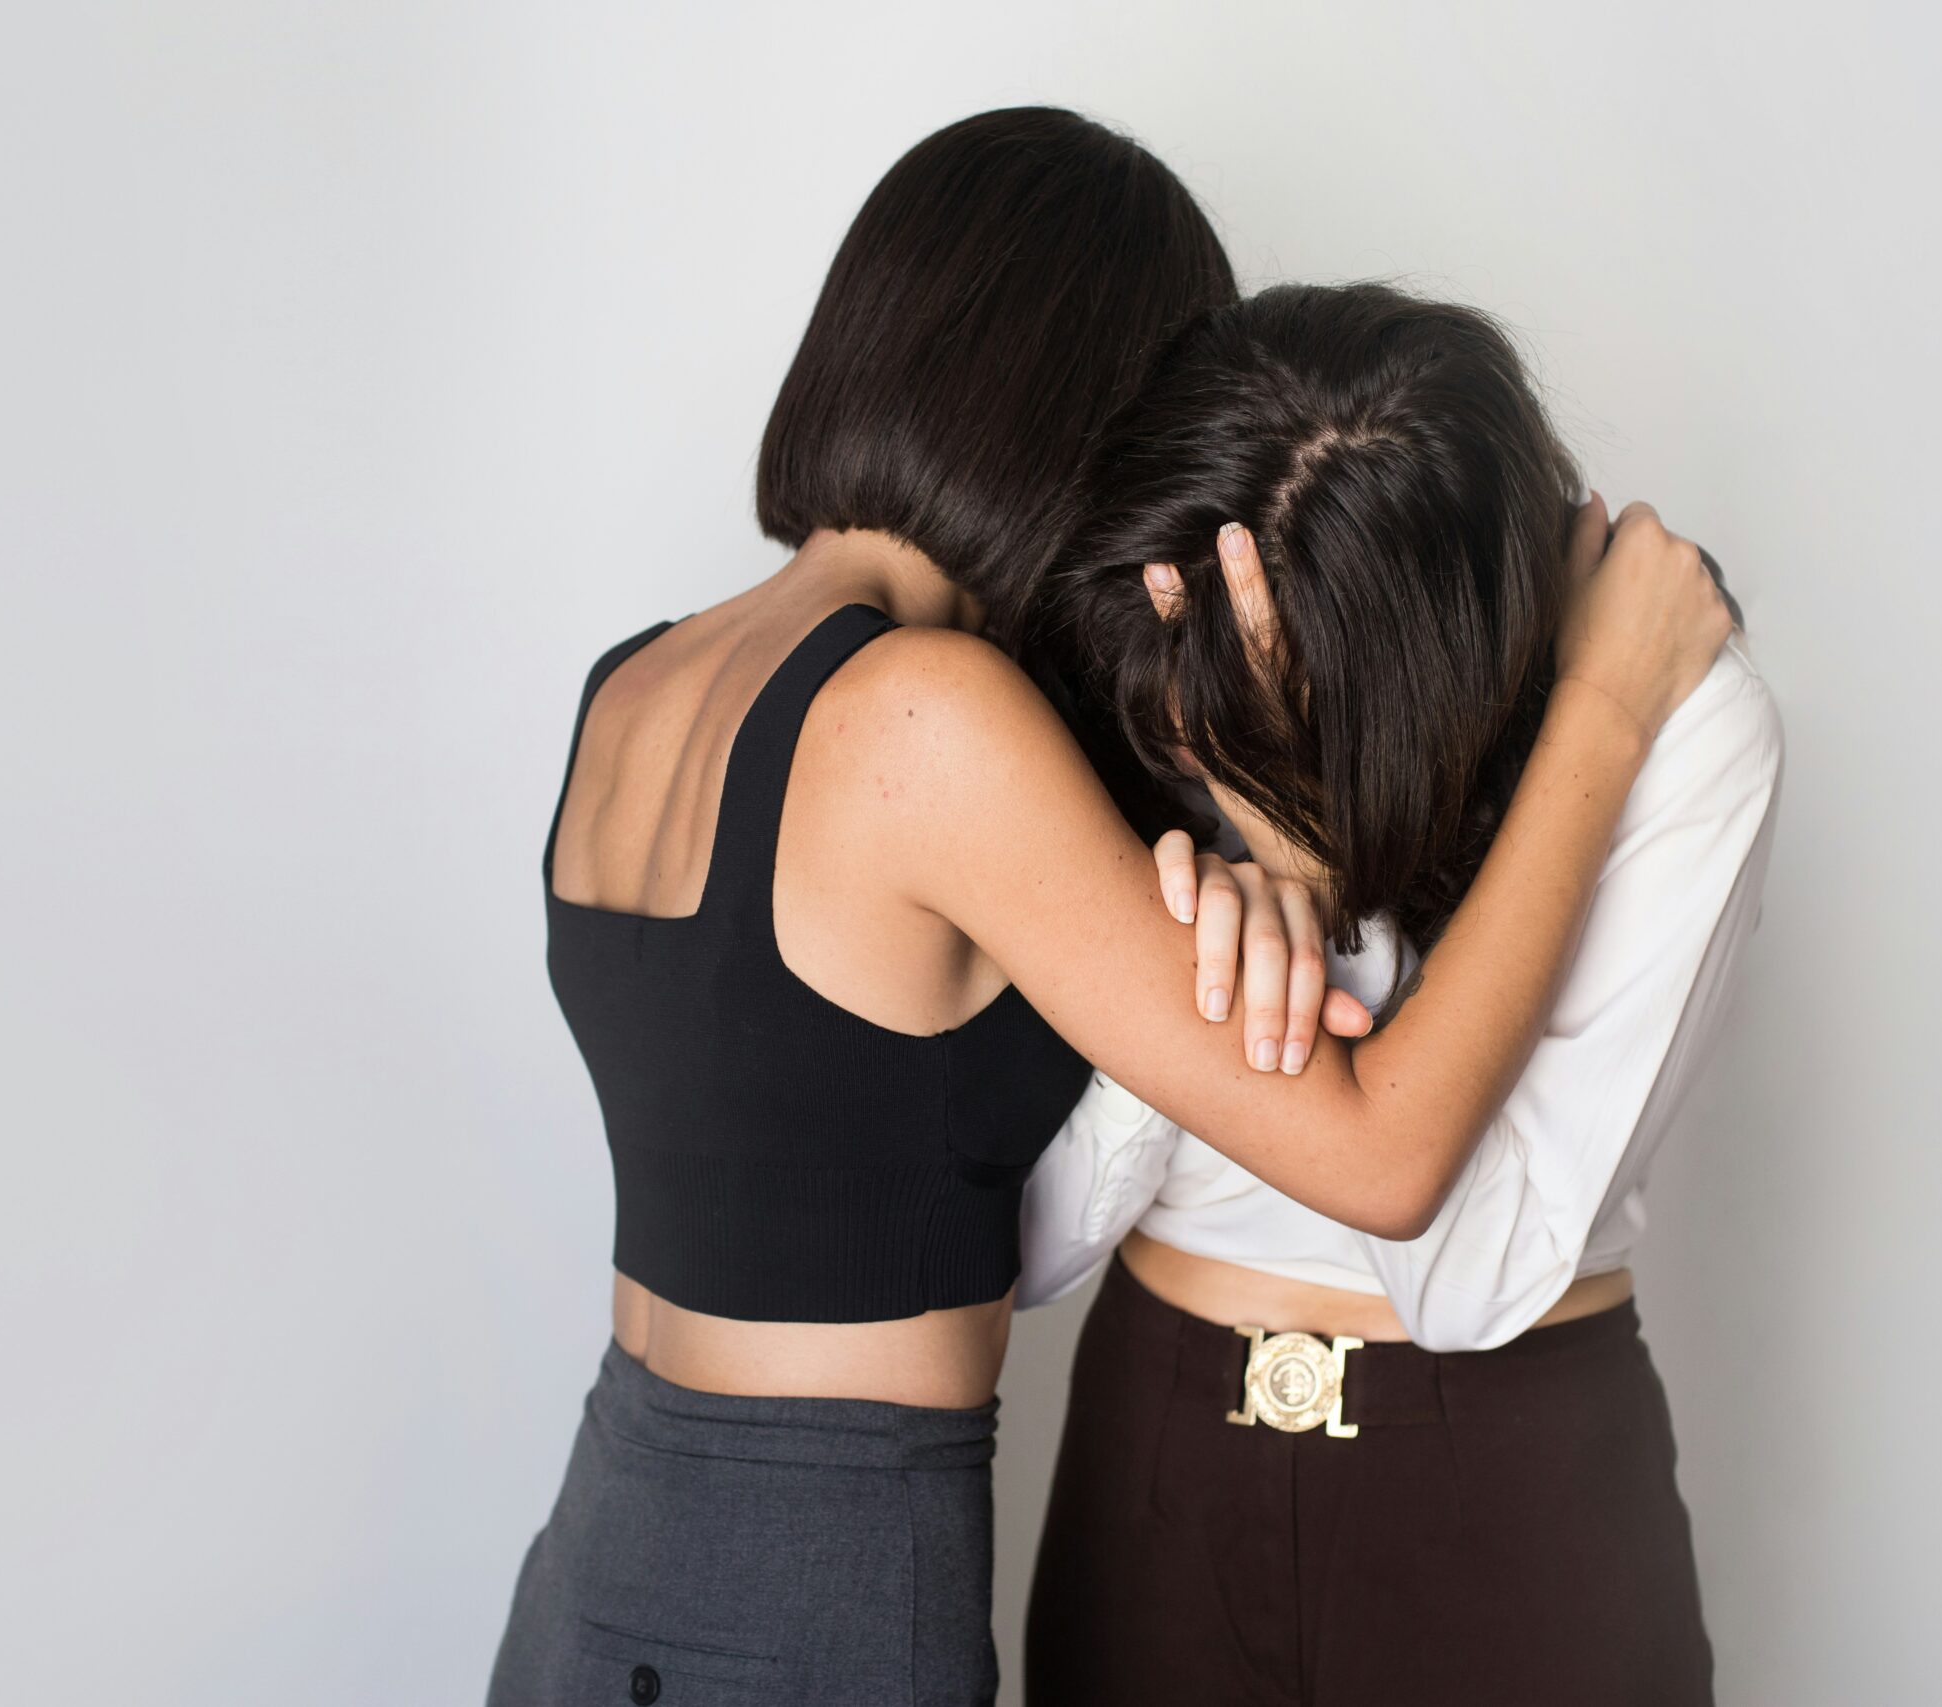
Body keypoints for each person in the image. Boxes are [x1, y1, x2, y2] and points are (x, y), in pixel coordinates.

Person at [488, 109, 1731, 1704]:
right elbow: (1384, 1154)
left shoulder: (636, 688)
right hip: (815, 1573)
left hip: (608, 1543)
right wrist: (1604, 711)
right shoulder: (927, 719)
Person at [1017, 282, 1783, 1706]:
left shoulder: (1678, 722)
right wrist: (1183, 977)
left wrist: (1323, 867)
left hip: (1506, 1480)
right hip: (1159, 1456)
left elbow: (1462, 1275)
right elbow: (1033, 1244)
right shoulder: (1166, 653)